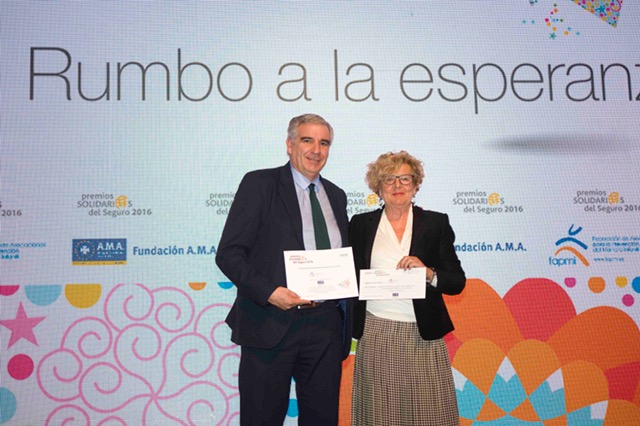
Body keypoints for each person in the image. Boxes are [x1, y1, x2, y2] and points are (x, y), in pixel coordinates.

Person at [216, 113, 352, 426]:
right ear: (290, 145)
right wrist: (269, 293)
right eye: (307, 140)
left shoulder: (336, 195)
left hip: (325, 327)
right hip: (270, 322)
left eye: (324, 143)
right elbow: (229, 254)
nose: (316, 150)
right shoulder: (259, 184)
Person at [349, 151, 465, 426]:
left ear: (416, 185)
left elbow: (456, 281)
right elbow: (348, 275)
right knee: (380, 415)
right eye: (389, 179)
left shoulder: (436, 223)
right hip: (377, 332)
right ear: (378, 187)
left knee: (428, 415)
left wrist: (428, 273)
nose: (397, 185)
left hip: (422, 334)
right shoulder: (360, 225)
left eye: (405, 178)